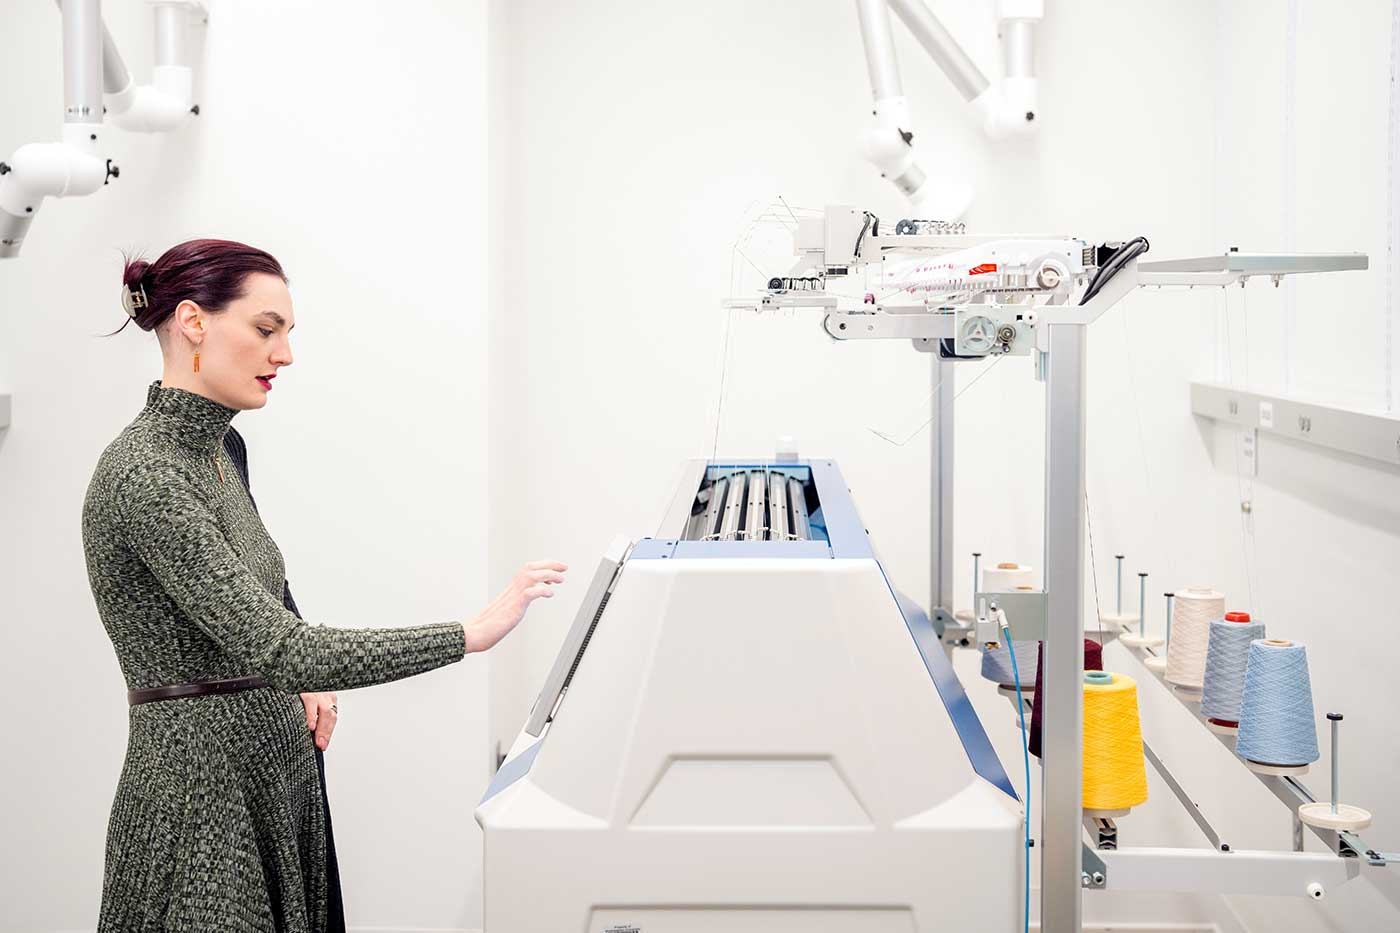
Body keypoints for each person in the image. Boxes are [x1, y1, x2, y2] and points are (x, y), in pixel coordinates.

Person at [81, 238, 565, 932]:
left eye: (287, 333)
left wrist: (302, 680)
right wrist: (468, 634)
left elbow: (264, 584)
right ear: (193, 321)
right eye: (266, 329)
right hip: (204, 800)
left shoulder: (221, 448)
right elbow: (285, 647)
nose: (284, 355)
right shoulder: (148, 474)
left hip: (271, 780)